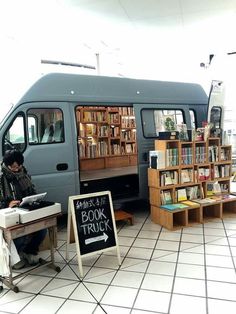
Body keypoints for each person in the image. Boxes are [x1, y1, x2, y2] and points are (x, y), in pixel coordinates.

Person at [0, 150, 47, 269]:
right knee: (19, 234)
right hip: (8, 214)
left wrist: (33, 198)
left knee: (42, 229)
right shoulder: (1, 177)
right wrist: (7, 203)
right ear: (7, 164)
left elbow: (32, 189)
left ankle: (29, 252)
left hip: (24, 209)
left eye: (19, 166)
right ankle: (15, 257)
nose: (17, 169)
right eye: (14, 167)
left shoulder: (23, 172)